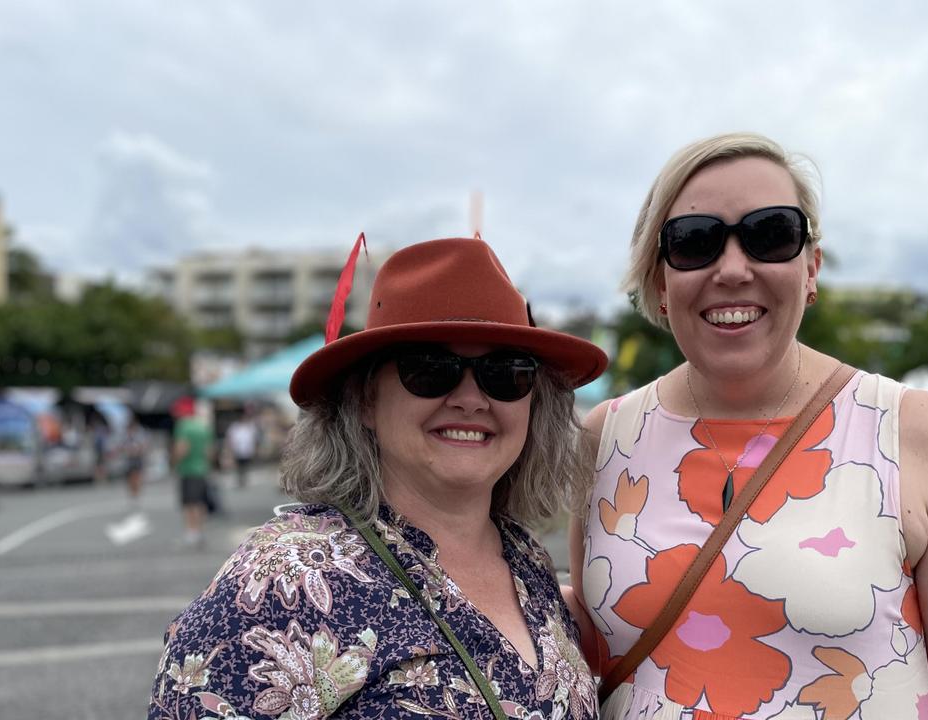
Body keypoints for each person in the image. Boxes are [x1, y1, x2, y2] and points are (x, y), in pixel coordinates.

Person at [569, 133, 928, 719]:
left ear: (812, 267)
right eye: (694, 242)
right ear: (660, 282)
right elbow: (598, 645)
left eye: (771, 234)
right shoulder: (609, 436)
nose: (733, 268)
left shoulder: (913, 431)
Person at [148, 238, 607, 720]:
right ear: (366, 399)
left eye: (506, 372)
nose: (471, 398)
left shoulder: (526, 557)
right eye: (430, 369)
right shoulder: (281, 581)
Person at [171, 397, 213, 548]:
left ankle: (191, 531)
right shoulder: (202, 426)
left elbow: (182, 448)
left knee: (189, 502)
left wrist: (174, 462)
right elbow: (209, 451)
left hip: (188, 469)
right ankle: (200, 531)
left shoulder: (183, 426)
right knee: (200, 502)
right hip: (202, 468)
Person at [224, 407, 258, 488]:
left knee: (245, 465)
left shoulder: (250, 426)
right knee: (239, 466)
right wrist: (230, 449)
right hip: (238, 450)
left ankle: (244, 479)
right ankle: (240, 479)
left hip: (247, 450)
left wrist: (255, 448)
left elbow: (254, 438)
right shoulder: (234, 427)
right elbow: (230, 438)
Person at [119, 421, 148, 507]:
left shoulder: (139, 436)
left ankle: (137, 494)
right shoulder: (125, 437)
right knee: (129, 478)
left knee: (137, 477)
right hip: (129, 459)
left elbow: (143, 446)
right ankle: (132, 494)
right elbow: (121, 448)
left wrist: (136, 450)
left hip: (137, 459)